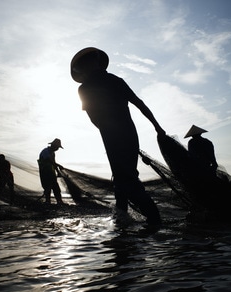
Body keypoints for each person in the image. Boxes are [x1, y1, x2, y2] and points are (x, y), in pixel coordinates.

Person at [70, 47, 165, 226]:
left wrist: (157, 127)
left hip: (120, 134)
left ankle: (153, 219)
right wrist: (156, 127)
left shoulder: (109, 82)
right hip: (118, 134)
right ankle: (122, 218)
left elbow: (138, 104)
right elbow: (93, 116)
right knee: (121, 177)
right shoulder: (88, 87)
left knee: (126, 177)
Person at [38, 138, 64, 205]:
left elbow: (53, 164)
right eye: (57, 147)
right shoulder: (45, 151)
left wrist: (58, 172)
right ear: (53, 146)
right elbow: (50, 161)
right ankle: (47, 201)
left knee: (56, 188)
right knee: (47, 187)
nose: (57, 149)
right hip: (45, 172)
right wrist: (59, 165)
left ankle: (59, 201)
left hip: (51, 173)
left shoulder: (52, 153)